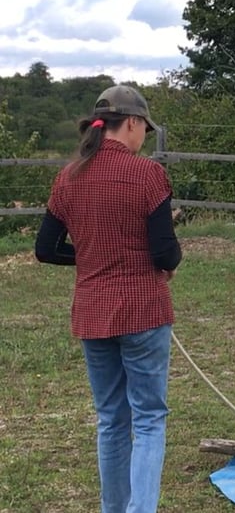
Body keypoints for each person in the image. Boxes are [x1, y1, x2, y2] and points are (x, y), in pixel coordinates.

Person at [35, 84, 182, 513]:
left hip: (93, 314)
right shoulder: (148, 175)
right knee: (149, 418)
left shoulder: (68, 177)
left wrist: (89, 255)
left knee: (111, 420)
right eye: (144, 128)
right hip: (144, 312)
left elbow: (46, 248)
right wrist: (169, 262)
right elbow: (165, 253)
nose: (143, 136)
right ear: (132, 124)